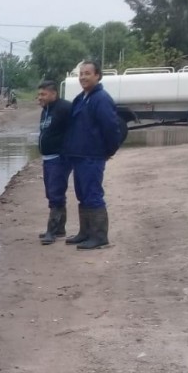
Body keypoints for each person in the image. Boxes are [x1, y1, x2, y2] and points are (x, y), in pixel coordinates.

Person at [63, 61, 121, 250]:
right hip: (79, 155)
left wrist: (108, 151)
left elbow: (112, 128)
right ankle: (85, 232)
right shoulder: (81, 98)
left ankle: (99, 237)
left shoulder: (101, 99)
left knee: (93, 194)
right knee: (82, 194)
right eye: (81, 73)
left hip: (92, 155)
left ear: (97, 76)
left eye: (87, 73)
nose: (83, 77)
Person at [36, 81, 72, 245]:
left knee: (55, 193)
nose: (39, 98)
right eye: (39, 94)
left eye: (43, 94)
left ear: (53, 94)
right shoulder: (46, 110)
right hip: (48, 159)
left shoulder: (64, 108)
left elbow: (76, 128)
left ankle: (52, 230)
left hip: (59, 158)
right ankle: (60, 229)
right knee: (52, 193)